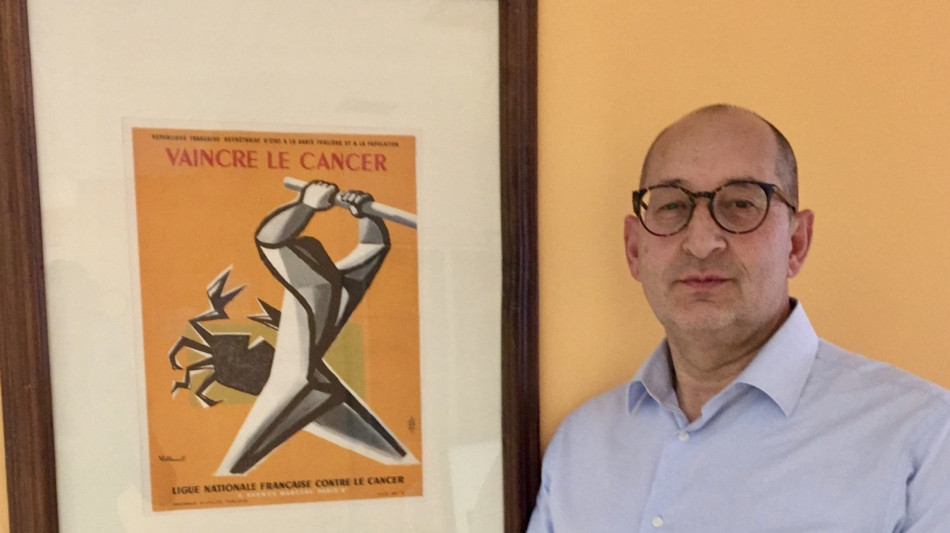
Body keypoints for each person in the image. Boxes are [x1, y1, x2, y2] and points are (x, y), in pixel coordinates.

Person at [526, 104, 950, 531]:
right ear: (634, 249)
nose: (701, 242)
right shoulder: (580, 448)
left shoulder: (924, 439)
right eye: (672, 206)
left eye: (741, 203)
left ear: (797, 242)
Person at [218, 180, 415, 475]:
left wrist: (333, 208)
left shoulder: (321, 283)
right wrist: (355, 213)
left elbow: (271, 241)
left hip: (300, 384)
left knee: (233, 468)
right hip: (304, 384)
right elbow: (271, 239)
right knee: (234, 467)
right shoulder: (336, 285)